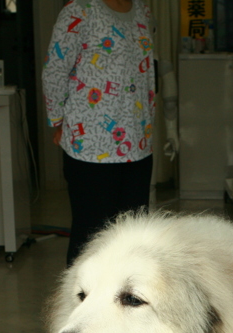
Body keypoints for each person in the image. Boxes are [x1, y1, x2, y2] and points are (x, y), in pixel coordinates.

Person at [42, 0, 155, 266]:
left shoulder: (142, 11)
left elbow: (146, 72)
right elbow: (55, 70)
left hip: (138, 144)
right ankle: (79, 303)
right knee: (90, 239)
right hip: (90, 149)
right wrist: (57, 121)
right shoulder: (79, 10)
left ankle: (127, 303)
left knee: (134, 240)